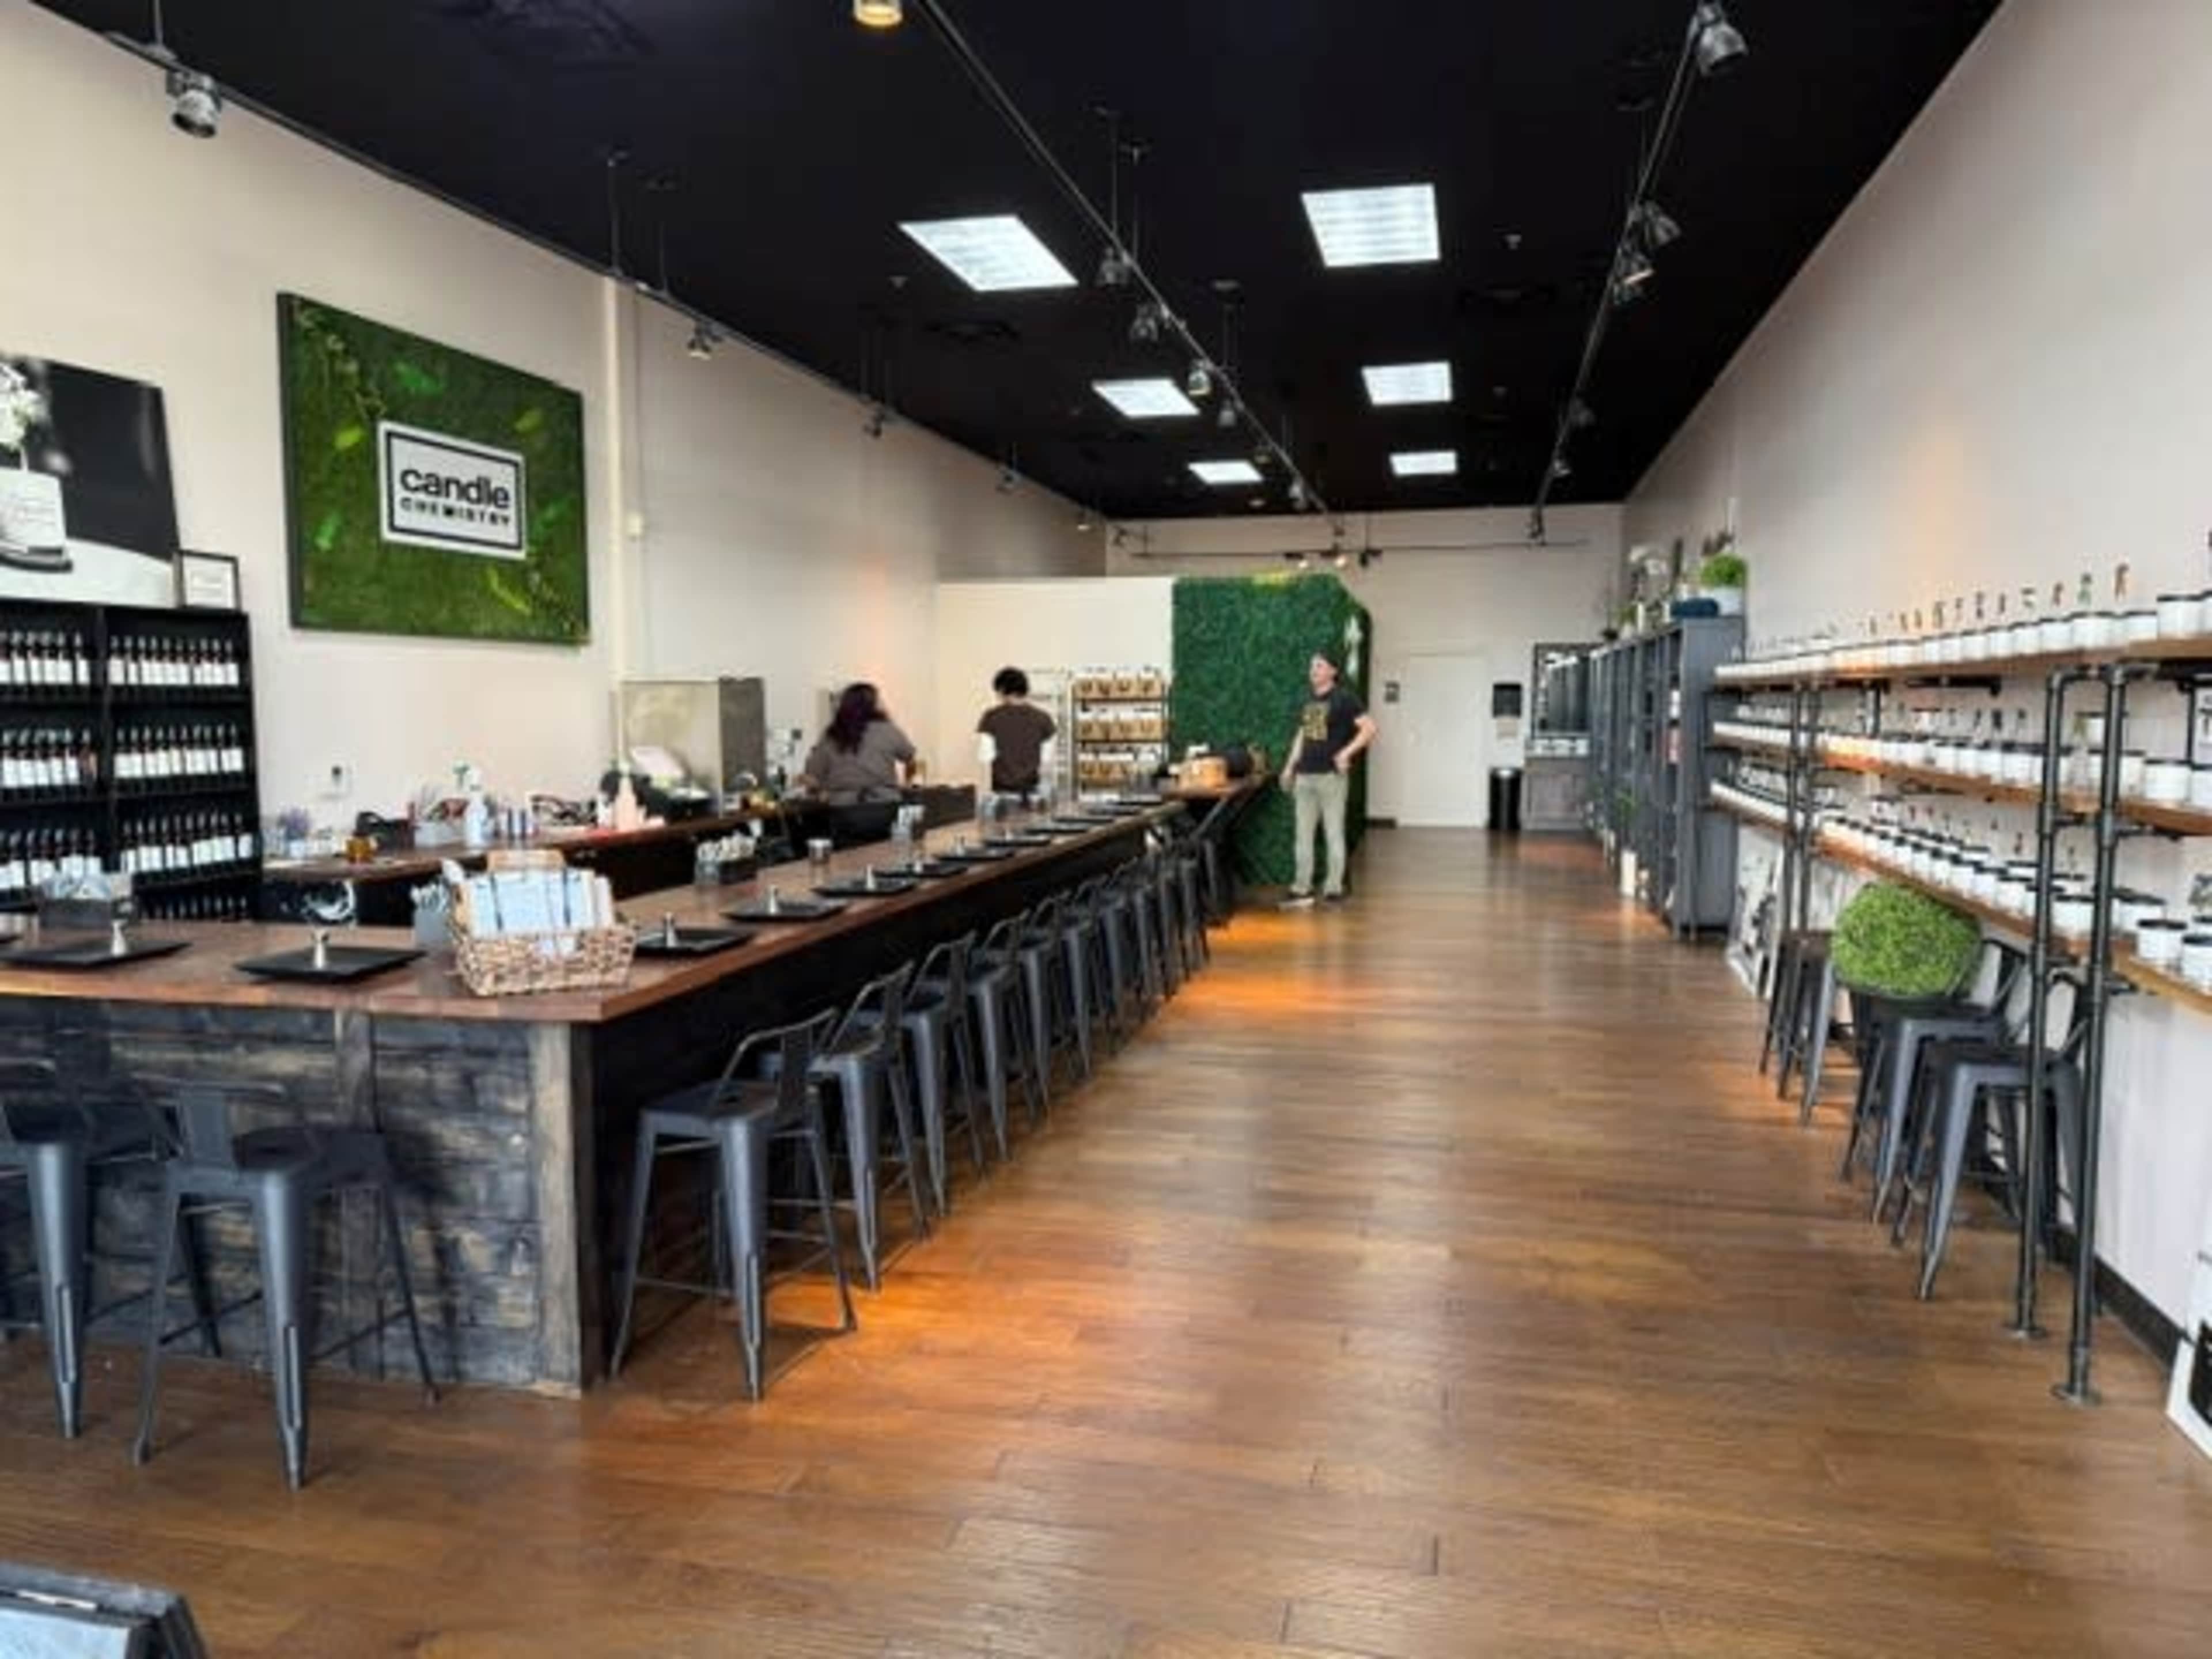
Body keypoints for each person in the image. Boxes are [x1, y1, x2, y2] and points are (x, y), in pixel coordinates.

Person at [1278, 651, 1376, 908]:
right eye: (1312, 666)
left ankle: (1334, 888)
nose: (1314, 670)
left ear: (1333, 671)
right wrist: (1290, 767)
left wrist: (1346, 752)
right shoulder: (1309, 699)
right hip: (1305, 776)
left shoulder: (1345, 699)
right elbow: (1303, 736)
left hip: (1331, 778)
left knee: (1333, 833)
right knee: (1303, 836)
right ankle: (1302, 888)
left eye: (1319, 666)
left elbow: (1370, 728)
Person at [800, 682, 916, 804]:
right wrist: (908, 782)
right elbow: (911, 759)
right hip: (884, 806)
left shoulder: (832, 735)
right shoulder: (889, 730)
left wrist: (823, 791)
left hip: (844, 809)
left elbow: (811, 778)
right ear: (874, 705)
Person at [975, 666, 1057, 801]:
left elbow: (985, 757)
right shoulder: (1043, 718)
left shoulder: (991, 718)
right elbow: (1046, 761)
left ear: (1002, 690)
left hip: (1002, 793)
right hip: (1032, 794)